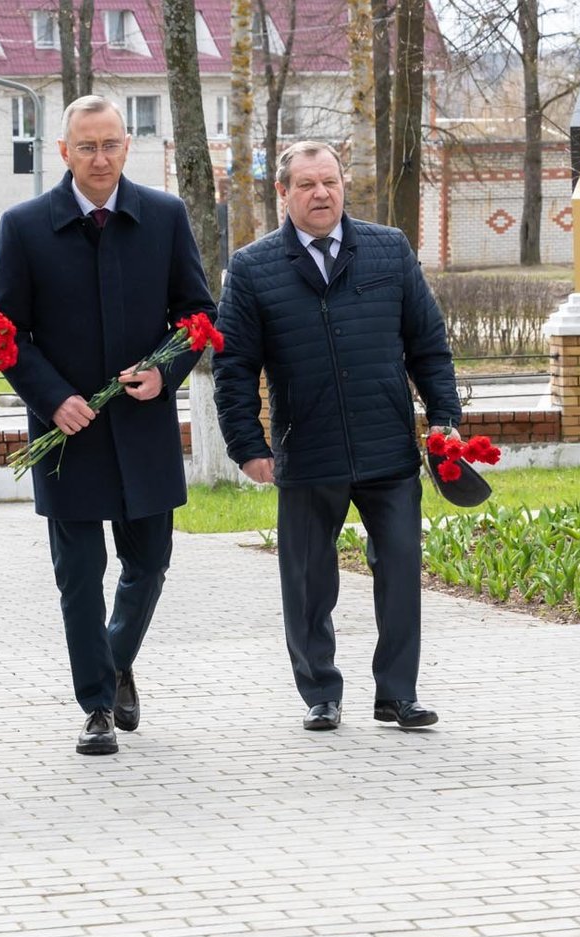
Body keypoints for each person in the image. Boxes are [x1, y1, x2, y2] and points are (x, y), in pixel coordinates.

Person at [0, 95, 214, 758]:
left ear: (127, 146)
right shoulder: (25, 226)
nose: (101, 157)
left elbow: (196, 315)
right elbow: (3, 334)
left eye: (111, 143)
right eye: (87, 146)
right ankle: (96, 708)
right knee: (79, 575)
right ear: (64, 152)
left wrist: (165, 369)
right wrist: (52, 399)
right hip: (68, 436)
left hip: (142, 429)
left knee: (150, 563)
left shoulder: (165, 216)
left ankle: (112, 662)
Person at [213, 140, 462, 733]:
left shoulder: (388, 249)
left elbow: (427, 341)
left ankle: (397, 694)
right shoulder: (252, 268)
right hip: (307, 448)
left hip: (387, 446)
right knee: (306, 582)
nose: (320, 193)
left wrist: (445, 416)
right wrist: (247, 444)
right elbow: (235, 367)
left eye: (329, 181)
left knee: (400, 570)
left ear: (343, 183)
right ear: (283, 193)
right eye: (306, 184)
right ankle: (320, 693)